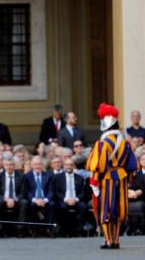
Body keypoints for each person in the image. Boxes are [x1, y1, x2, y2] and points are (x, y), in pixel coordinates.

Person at [87, 103, 137, 249]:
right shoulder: (125, 143)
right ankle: (116, 240)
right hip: (121, 178)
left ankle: (108, 240)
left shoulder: (103, 143)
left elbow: (98, 166)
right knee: (119, 210)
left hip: (108, 178)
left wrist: (94, 181)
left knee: (106, 209)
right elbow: (132, 165)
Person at [0, 157, 28, 237]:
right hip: (3, 199)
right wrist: (6, 199)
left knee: (24, 202)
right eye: (7, 165)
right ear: (4, 166)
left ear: (14, 166)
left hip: (16, 199)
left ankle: (20, 229)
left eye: (11, 165)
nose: (9, 167)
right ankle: (1, 229)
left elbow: (23, 193)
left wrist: (14, 199)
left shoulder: (21, 176)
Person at [54, 158, 87, 237]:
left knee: (83, 207)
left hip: (76, 200)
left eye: (70, 165)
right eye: (67, 165)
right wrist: (66, 199)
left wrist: (75, 199)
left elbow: (83, 192)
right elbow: (56, 192)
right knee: (62, 207)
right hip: (64, 200)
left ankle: (79, 230)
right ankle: (65, 230)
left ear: (73, 166)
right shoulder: (58, 177)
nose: (69, 166)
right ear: (64, 166)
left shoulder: (80, 178)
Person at [24, 156, 54, 237]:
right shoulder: (27, 176)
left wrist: (45, 200)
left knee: (51, 204)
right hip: (34, 200)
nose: (38, 166)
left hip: (45, 199)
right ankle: (34, 229)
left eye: (39, 164)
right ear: (32, 165)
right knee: (31, 205)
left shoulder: (48, 175)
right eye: (35, 164)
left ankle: (48, 229)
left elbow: (51, 191)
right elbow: (27, 192)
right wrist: (35, 200)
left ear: (42, 165)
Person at [127, 153, 145, 235]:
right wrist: (131, 192)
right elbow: (135, 186)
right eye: (143, 159)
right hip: (135, 196)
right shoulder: (137, 174)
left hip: (141, 195)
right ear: (140, 162)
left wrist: (139, 192)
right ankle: (133, 228)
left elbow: (141, 188)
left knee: (140, 205)